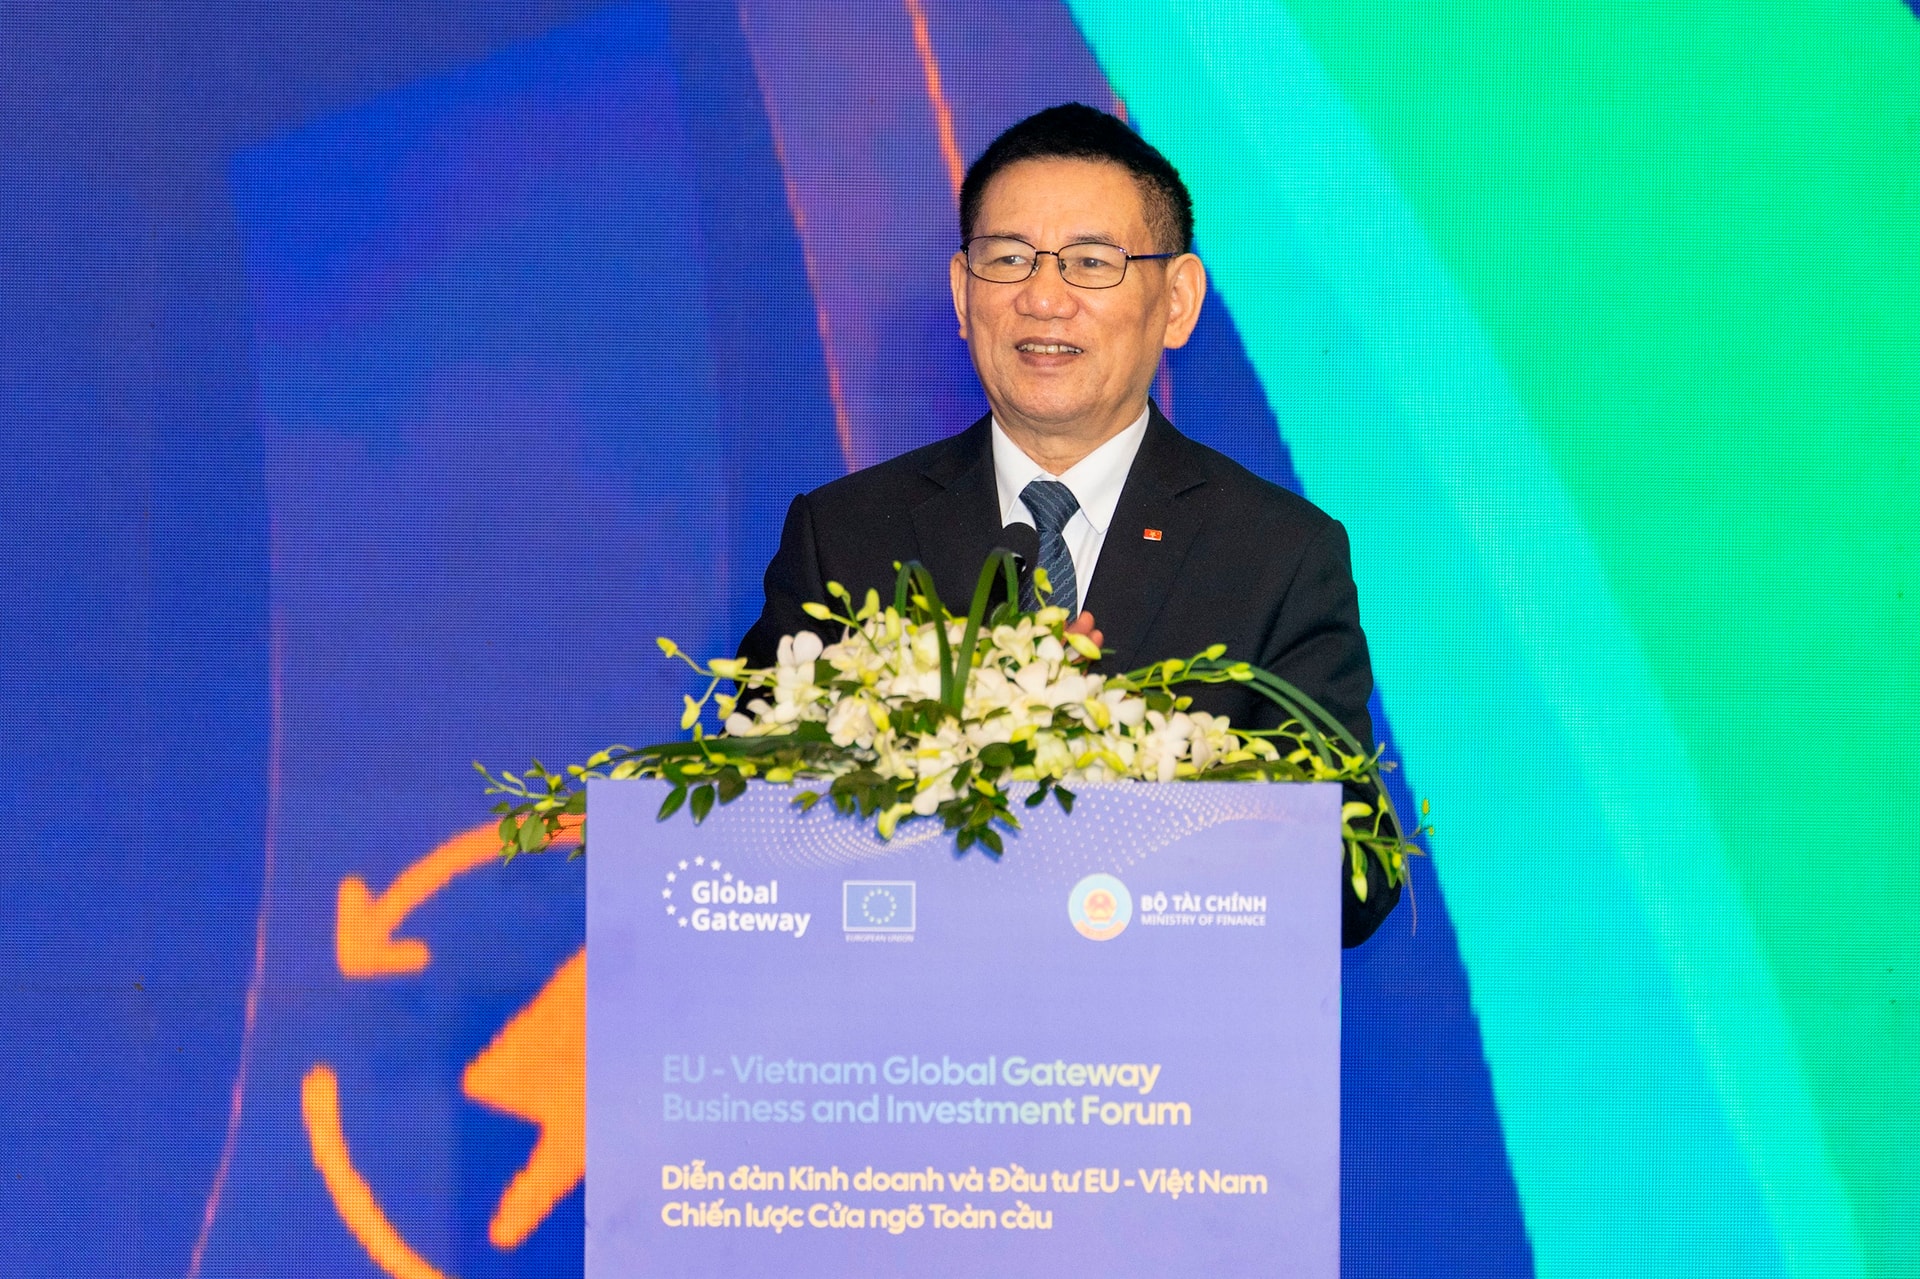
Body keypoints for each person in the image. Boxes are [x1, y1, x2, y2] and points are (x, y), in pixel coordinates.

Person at [741, 103, 1399, 945]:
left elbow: (1350, 878)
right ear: (962, 292)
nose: (1043, 298)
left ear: (1178, 301)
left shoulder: (1276, 555)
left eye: (1092, 262)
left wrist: (1106, 768)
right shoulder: (845, 535)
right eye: (1007, 259)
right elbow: (742, 829)